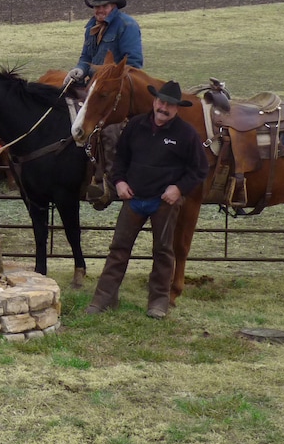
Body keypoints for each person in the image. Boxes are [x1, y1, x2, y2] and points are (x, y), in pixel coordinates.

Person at [83, 80, 209, 320]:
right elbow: (120, 159)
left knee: (163, 251)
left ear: (177, 109)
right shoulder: (135, 126)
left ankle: (158, 303)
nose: (164, 108)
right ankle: (103, 299)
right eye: (161, 102)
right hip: (134, 198)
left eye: (170, 105)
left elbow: (199, 169)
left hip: (164, 202)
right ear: (154, 101)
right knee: (118, 250)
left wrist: (179, 188)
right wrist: (119, 182)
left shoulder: (186, 134)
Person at [66, 0, 143, 84]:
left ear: (113, 6)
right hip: (94, 83)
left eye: (105, 6)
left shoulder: (127, 25)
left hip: (115, 84)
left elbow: (133, 63)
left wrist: (113, 82)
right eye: (97, 7)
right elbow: (86, 57)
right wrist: (80, 69)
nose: (100, 10)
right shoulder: (91, 27)